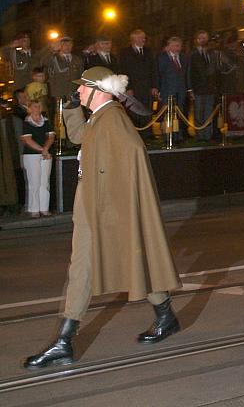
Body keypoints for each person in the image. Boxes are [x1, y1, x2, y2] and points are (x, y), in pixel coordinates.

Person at [24, 67, 181, 369]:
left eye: (82, 89)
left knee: (107, 261)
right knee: (98, 263)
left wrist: (111, 199)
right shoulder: (100, 117)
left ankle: (64, 342)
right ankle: (164, 315)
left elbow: (134, 154)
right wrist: (71, 107)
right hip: (92, 201)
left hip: (103, 204)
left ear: (100, 91)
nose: (79, 92)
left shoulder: (114, 119)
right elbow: (79, 136)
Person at [20, 100, 55, 217]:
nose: (37, 108)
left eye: (39, 106)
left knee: (45, 182)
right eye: (35, 106)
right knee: (34, 182)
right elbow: (28, 140)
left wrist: (45, 150)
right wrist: (43, 150)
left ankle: (44, 208)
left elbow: (51, 137)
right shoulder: (26, 123)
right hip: (31, 155)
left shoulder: (46, 121)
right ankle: (34, 208)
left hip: (45, 154)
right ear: (29, 109)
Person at [187, 31, 218, 141]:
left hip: (210, 88)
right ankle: (200, 136)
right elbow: (189, 72)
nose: (203, 40)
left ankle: (208, 135)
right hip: (198, 88)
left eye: (205, 38)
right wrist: (190, 89)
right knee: (199, 113)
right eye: (201, 38)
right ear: (197, 40)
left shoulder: (212, 53)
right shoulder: (192, 54)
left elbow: (215, 71)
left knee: (209, 113)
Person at [157, 37, 189, 142]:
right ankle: (167, 135)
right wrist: (158, 89)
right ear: (169, 46)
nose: (178, 48)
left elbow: (186, 74)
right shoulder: (162, 58)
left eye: (179, 46)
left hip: (180, 90)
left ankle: (178, 135)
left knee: (179, 113)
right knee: (167, 113)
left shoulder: (183, 57)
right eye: (176, 46)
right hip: (167, 90)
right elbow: (159, 74)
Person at [118, 29, 159, 112]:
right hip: (133, 89)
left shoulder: (148, 51)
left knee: (147, 112)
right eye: (141, 38)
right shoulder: (125, 53)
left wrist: (154, 86)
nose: (143, 40)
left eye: (144, 38)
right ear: (134, 39)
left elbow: (153, 70)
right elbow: (123, 71)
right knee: (134, 112)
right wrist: (128, 88)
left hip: (147, 89)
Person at [47, 37, 84, 102]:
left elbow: (81, 76)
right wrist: (51, 49)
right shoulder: (53, 58)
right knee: (59, 112)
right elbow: (41, 60)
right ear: (59, 46)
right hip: (58, 94)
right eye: (64, 44)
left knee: (75, 112)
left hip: (74, 94)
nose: (67, 46)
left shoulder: (77, 59)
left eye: (70, 44)